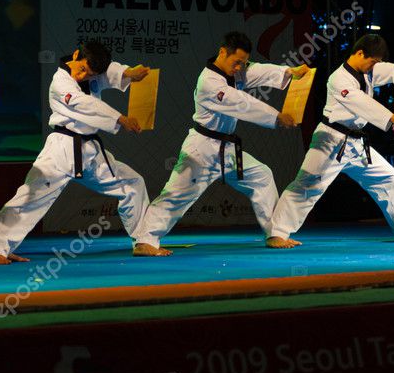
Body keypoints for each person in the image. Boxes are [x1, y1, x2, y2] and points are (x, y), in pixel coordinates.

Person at [131, 31, 308, 256]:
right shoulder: (209, 82)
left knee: (262, 176)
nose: (240, 67)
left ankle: (275, 233)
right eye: (237, 62)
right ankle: (145, 241)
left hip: (228, 150)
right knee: (177, 194)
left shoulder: (236, 72)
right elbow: (242, 103)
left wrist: (289, 72)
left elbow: (259, 71)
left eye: (243, 63)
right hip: (203, 149)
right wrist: (276, 116)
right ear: (222, 52)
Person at [0, 42, 151, 264]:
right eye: (81, 69)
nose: (82, 76)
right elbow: (84, 103)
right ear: (76, 55)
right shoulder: (60, 82)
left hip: (90, 151)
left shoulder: (90, 73)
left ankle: (143, 241)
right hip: (62, 148)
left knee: (132, 184)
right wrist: (120, 118)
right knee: (31, 196)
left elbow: (109, 72)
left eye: (88, 74)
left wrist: (129, 73)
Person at [265, 34, 394, 247]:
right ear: (359, 53)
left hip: (357, 145)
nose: (375, 66)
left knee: (390, 178)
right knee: (308, 183)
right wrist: (393, 118)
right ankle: (277, 233)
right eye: (373, 61)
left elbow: (385, 69)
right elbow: (361, 103)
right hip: (331, 140)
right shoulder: (339, 79)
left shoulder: (367, 72)